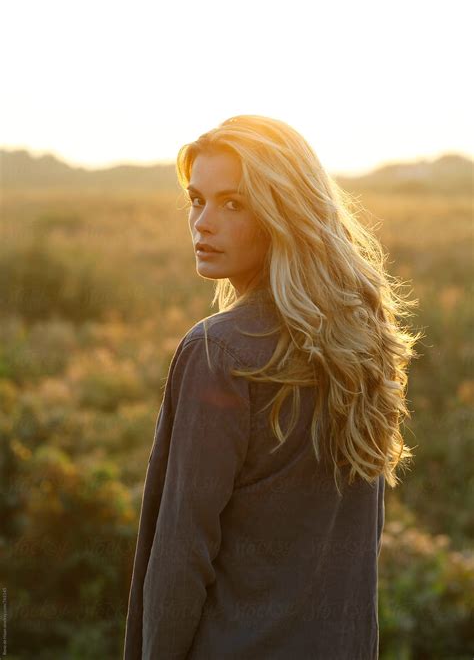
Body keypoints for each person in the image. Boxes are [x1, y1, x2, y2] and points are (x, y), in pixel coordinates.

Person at [123, 115, 421, 659]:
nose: (203, 223)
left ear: (282, 215)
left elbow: (180, 555)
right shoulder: (362, 345)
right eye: (196, 200)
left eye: (233, 204)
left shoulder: (219, 351)